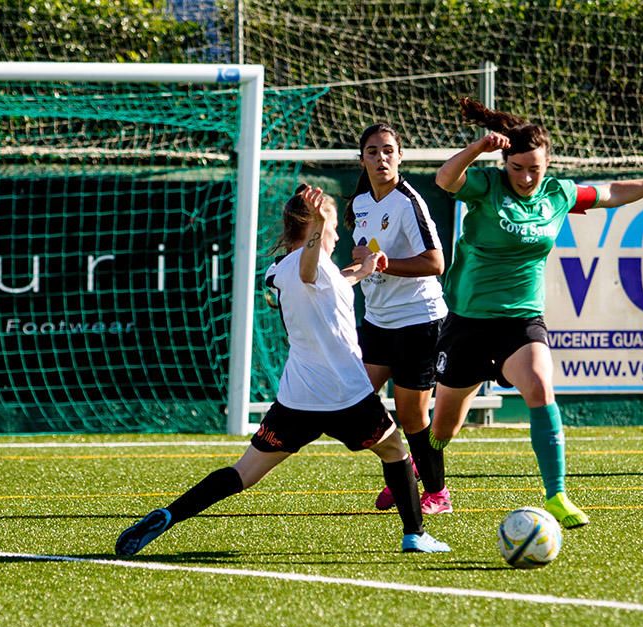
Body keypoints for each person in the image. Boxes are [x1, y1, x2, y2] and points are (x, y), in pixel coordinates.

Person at [115, 185, 451, 555]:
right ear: (313, 228)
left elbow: (327, 282)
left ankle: (168, 514)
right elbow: (311, 273)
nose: (337, 234)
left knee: (244, 472)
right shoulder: (312, 263)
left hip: (297, 398)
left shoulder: (282, 269)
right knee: (396, 453)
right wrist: (319, 227)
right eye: (332, 226)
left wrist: (365, 267)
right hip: (345, 394)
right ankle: (415, 536)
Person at [428, 98, 643, 528]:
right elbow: (445, 179)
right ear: (505, 165)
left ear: (548, 162)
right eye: (517, 168)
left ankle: (556, 495)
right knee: (443, 428)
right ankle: (425, 479)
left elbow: (612, 193)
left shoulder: (557, 193)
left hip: (521, 320)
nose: (526, 176)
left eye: (534, 167)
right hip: (468, 321)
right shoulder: (485, 184)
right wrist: (478, 147)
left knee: (539, 385)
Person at [344, 123, 452, 515]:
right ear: (362, 160)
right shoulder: (360, 203)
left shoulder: (408, 202)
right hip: (378, 321)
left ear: (400, 156)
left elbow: (436, 262)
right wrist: (360, 262)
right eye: (372, 151)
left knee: (411, 416)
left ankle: (437, 493)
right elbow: (366, 254)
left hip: (418, 322)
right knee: (353, 401)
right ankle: (407, 471)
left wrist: (385, 265)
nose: (381, 158)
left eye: (389, 150)